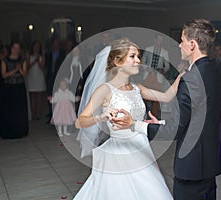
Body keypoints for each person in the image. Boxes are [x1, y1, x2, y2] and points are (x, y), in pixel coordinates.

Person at [111, 19, 221, 200]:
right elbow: (197, 116)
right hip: (210, 163)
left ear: (192, 44)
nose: (179, 45)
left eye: (182, 40)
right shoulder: (215, 72)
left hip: (192, 167)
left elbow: (174, 130)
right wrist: (163, 121)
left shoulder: (191, 80)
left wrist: (135, 125)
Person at [73, 38, 183, 200]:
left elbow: (166, 97)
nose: (138, 60)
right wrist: (101, 117)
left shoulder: (137, 88)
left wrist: (183, 75)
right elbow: (79, 121)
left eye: (138, 56)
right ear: (118, 62)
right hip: (119, 153)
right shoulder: (105, 90)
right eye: (132, 56)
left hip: (142, 149)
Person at [0, 41, 29, 139]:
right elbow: (3, 75)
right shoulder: (5, 60)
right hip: (8, 88)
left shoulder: (22, 60)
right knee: (9, 110)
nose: (16, 50)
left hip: (19, 87)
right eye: (14, 48)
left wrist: (19, 69)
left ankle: (20, 130)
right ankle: (9, 131)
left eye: (18, 48)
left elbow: (24, 75)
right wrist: (14, 71)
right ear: (11, 49)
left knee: (19, 110)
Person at [141, 34, 170, 117]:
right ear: (155, 40)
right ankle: (144, 113)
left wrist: (161, 70)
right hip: (148, 75)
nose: (159, 42)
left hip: (158, 77)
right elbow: (143, 62)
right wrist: (146, 68)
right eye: (158, 40)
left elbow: (167, 66)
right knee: (145, 96)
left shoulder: (165, 52)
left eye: (161, 40)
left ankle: (153, 116)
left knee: (156, 98)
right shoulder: (148, 49)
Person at [45, 36, 65, 123]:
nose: (56, 44)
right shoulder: (49, 54)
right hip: (50, 76)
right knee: (50, 95)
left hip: (59, 76)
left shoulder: (62, 53)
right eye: (55, 43)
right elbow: (46, 65)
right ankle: (51, 114)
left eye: (57, 42)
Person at [26, 40, 46, 120]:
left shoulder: (42, 56)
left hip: (39, 76)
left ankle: (38, 113)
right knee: (32, 95)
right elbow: (27, 67)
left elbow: (43, 67)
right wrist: (34, 61)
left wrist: (38, 62)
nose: (36, 48)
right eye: (35, 46)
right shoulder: (29, 56)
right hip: (31, 76)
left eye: (38, 46)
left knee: (39, 96)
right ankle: (33, 112)